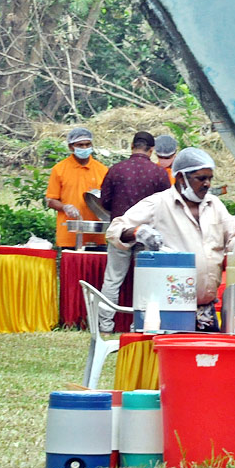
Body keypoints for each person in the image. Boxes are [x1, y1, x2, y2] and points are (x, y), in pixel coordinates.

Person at [108, 147, 235, 330]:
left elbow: (233, 236)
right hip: (170, 309)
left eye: (209, 178)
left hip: (205, 310)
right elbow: (115, 229)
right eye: (201, 178)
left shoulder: (214, 204)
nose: (207, 184)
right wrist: (138, 232)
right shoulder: (159, 203)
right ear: (182, 178)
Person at [97, 131, 170, 331]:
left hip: (121, 232)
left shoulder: (116, 170)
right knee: (145, 282)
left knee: (112, 280)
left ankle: (105, 325)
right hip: (148, 235)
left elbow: (104, 201)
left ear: (132, 146)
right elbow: (166, 205)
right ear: (152, 150)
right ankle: (139, 325)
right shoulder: (159, 173)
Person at [45, 126, 109, 249]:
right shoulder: (60, 169)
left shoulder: (102, 170)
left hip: (96, 235)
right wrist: (65, 207)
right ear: (71, 147)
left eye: (87, 144)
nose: (84, 148)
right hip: (69, 235)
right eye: (80, 145)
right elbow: (51, 200)